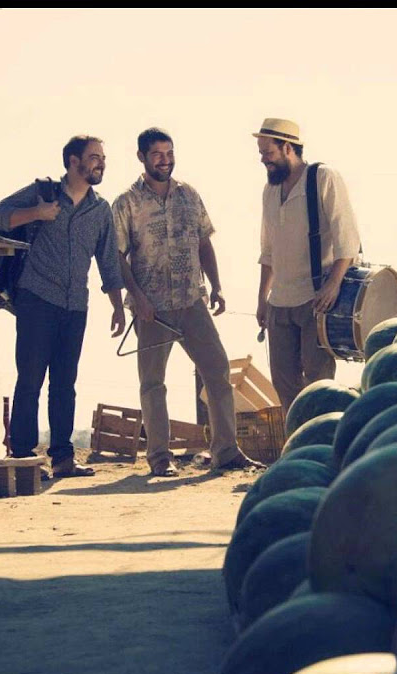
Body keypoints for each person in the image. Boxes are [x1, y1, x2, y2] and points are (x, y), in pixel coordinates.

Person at [112, 128, 266, 476]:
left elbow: (204, 242)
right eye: (157, 154)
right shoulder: (126, 202)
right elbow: (116, 256)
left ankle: (226, 451)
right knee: (153, 382)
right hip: (151, 309)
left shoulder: (189, 195)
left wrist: (217, 286)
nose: (164, 161)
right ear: (141, 157)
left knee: (217, 369)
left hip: (192, 300)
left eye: (169, 153)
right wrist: (137, 298)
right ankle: (160, 457)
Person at [0, 135, 126, 478]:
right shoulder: (43, 193)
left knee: (65, 384)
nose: (101, 163)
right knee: (30, 380)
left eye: (103, 158)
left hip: (76, 304)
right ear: (73, 162)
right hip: (36, 298)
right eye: (94, 157)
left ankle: (63, 458)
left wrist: (118, 306)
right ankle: (23, 456)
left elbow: (108, 261)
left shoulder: (100, 209)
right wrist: (38, 213)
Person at [253, 118, 362, 412]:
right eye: (261, 153)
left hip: (316, 300)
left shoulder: (323, 177)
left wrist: (333, 285)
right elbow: (268, 251)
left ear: (288, 148)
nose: (263, 160)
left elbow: (347, 240)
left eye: (268, 153)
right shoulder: (269, 190)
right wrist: (262, 298)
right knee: (283, 383)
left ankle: (322, 436)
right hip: (280, 303)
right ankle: (297, 438)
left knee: (317, 384)